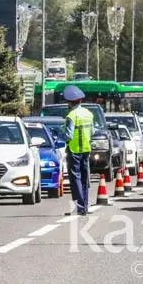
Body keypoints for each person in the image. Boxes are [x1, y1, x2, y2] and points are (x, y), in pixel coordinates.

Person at [62, 85, 95, 216]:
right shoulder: (89, 114)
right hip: (86, 149)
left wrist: (60, 133)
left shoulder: (71, 116)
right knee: (85, 178)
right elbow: (92, 132)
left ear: (70, 102)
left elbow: (68, 135)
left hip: (74, 150)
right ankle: (85, 206)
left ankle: (80, 206)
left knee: (76, 178)